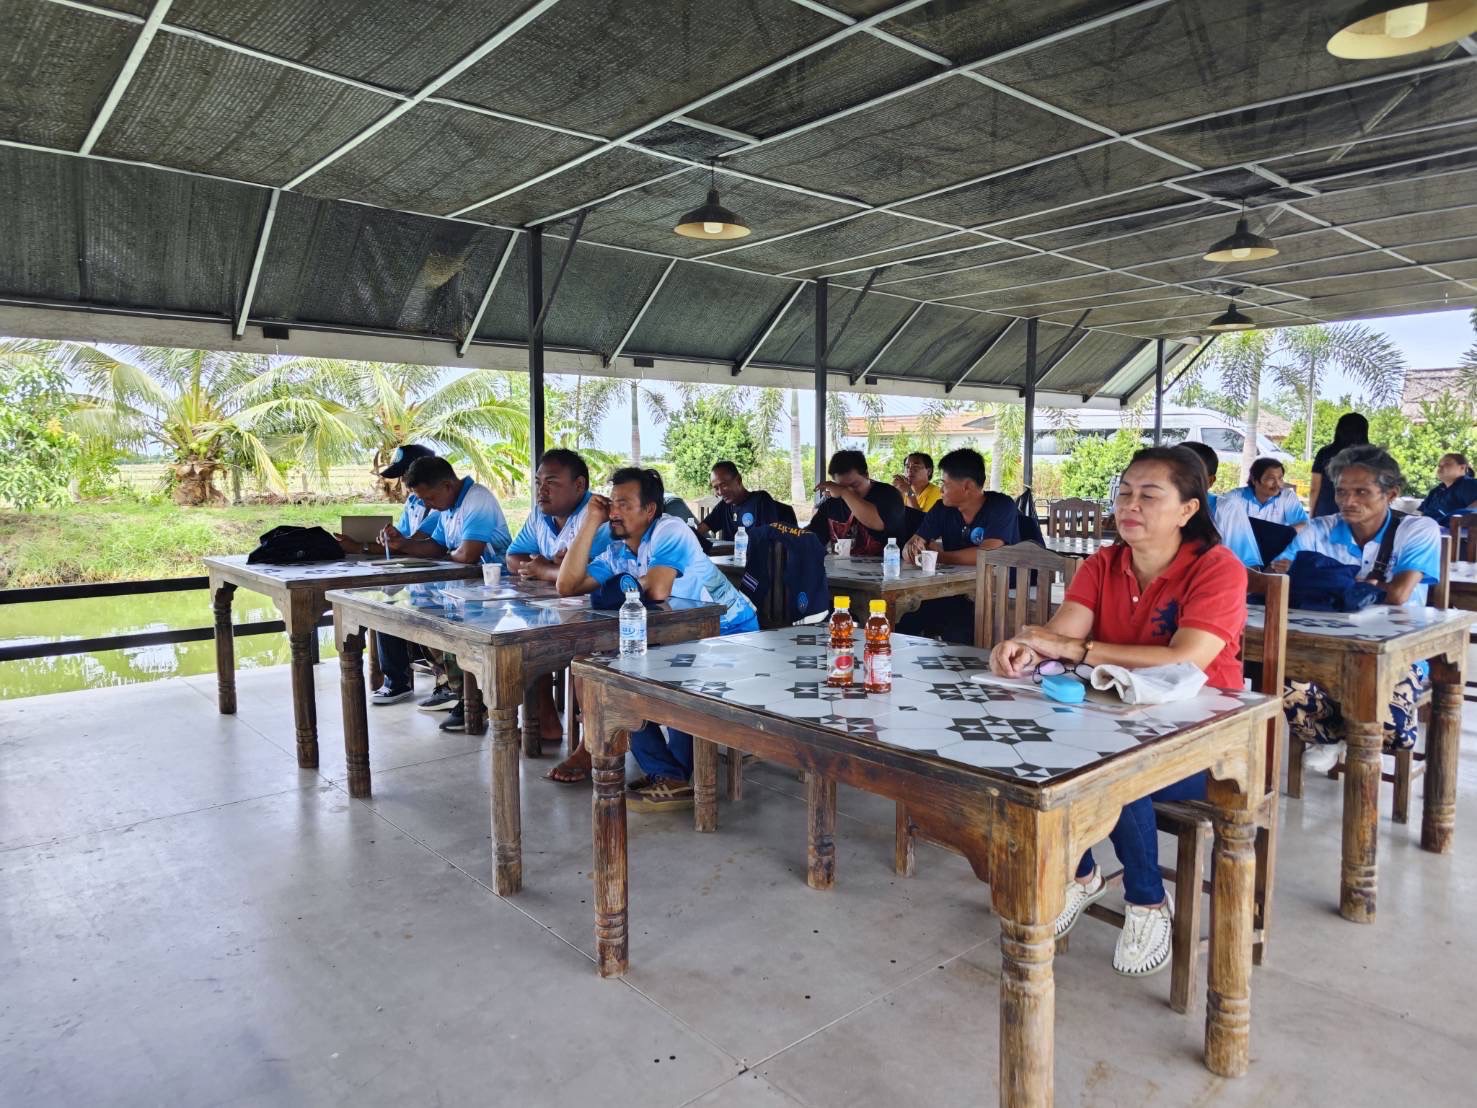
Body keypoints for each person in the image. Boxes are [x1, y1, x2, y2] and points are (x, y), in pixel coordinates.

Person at [991, 447, 1248, 977]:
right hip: (1120, 719)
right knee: (1035, 748)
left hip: (1208, 743)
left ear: (1187, 510)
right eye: (1125, 492)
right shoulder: (1103, 564)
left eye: (1150, 495)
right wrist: (1027, 648)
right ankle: (1082, 872)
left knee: (1112, 770)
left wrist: (1078, 653)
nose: (1130, 504)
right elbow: (1064, 634)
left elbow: (1185, 657)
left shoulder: (1217, 569)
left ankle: (1147, 901)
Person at [551, 467, 759, 805]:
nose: (614, 512)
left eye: (624, 504)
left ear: (649, 510)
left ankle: (674, 775)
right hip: (679, 639)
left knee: (663, 681)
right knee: (605, 678)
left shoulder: (669, 530)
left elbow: (659, 589)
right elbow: (567, 585)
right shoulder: (619, 550)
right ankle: (670, 773)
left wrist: (621, 587)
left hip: (731, 634)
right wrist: (591, 522)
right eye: (611, 504)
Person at [1271, 445, 1441, 773]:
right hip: (1323, 646)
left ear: (1391, 494)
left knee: (1392, 730)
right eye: (1342, 492)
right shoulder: (1320, 529)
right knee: (1280, 683)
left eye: (1362, 492)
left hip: (1395, 652)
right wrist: (1363, 587)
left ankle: (1336, 737)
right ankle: (1336, 738)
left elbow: (1399, 594)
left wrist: (1324, 581)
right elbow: (1281, 578)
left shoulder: (1418, 530)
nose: (1349, 501)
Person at [386, 456, 513, 732]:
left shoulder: (477, 500)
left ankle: (474, 699)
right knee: (420, 616)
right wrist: (403, 545)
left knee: (453, 628)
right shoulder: (447, 506)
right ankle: (461, 691)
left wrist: (446, 554)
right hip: (466, 588)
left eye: (429, 498)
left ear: (446, 485)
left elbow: (468, 554)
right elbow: (436, 546)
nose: (427, 506)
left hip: (497, 590)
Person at [506, 449, 611, 748]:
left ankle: (592, 743)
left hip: (599, 612)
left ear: (579, 485)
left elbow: (590, 576)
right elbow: (513, 557)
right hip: (555, 605)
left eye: (551, 482)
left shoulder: (597, 515)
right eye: (539, 482)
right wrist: (547, 569)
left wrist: (548, 570)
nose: (542, 490)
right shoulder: (540, 514)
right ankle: (546, 720)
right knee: (525, 638)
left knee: (587, 651)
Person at [351, 444, 442, 705]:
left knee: (408, 603)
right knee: (386, 598)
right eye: (402, 476)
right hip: (418, 573)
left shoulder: (441, 504)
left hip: (438, 575)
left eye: (406, 475)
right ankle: (397, 680)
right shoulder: (413, 502)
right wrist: (383, 541)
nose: (403, 482)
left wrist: (367, 547)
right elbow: (400, 540)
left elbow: (417, 542)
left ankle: (445, 681)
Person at [898, 448, 1019, 643]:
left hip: (992, 590)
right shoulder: (941, 509)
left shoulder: (1001, 505)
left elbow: (988, 553)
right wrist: (912, 549)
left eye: (945, 483)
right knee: (903, 620)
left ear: (967, 486)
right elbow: (911, 546)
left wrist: (941, 556)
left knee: (959, 631)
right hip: (950, 590)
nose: (941, 489)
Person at [806, 449, 906, 555]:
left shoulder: (889, 495)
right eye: (841, 487)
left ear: (867, 475)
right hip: (840, 569)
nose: (850, 491)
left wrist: (845, 493)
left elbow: (879, 523)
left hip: (887, 568)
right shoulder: (831, 503)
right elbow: (812, 538)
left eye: (854, 485)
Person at [1215, 457, 1309, 569]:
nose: (1278, 484)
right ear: (1254, 480)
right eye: (1271, 479)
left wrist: (1275, 534)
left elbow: (1304, 525)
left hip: (1274, 555)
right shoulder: (1235, 497)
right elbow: (1218, 517)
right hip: (1241, 555)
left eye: (1280, 478)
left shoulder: (1287, 496)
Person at [702, 461, 788, 539]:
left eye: (724, 485)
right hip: (729, 556)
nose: (720, 492)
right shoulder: (724, 506)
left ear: (738, 480)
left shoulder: (760, 500)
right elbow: (701, 529)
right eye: (716, 488)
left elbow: (770, 537)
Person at [1309, 412, 1370, 518]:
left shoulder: (1324, 453)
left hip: (1326, 512)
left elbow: (1314, 488)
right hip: (1359, 515)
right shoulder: (1373, 456)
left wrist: (1311, 515)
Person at [1418, 452, 1477, 525]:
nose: (1440, 467)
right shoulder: (1435, 491)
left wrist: (1447, 520)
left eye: (1447, 464)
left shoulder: (1469, 484)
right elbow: (1421, 514)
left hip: (1455, 533)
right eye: (1439, 465)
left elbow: (1473, 512)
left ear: (1462, 467)